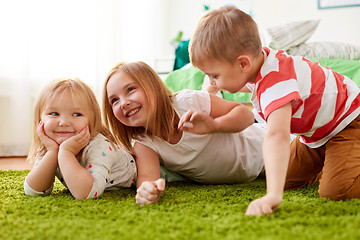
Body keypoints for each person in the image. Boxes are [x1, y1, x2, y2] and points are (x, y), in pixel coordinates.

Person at [189, 6, 360, 215]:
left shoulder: (277, 82)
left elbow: (277, 135)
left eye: (214, 76)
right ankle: (337, 158)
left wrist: (273, 196)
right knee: (283, 177)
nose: (211, 81)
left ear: (243, 63)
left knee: (337, 191)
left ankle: (346, 158)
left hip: (349, 121)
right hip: (317, 133)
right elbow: (248, 84)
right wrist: (215, 87)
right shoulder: (259, 63)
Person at [102, 61, 266, 206]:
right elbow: (147, 177)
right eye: (114, 100)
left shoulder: (188, 101)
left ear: (154, 86)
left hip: (265, 149)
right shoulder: (143, 142)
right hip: (247, 174)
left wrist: (215, 125)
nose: (124, 103)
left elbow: (246, 115)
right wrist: (147, 190)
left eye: (130, 89)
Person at [24, 78, 137, 200]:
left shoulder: (100, 147)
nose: (64, 122)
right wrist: (52, 152)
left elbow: (86, 193)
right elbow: (33, 190)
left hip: (141, 172)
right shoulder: (51, 144)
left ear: (92, 120)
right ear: (40, 120)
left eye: (77, 114)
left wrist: (66, 152)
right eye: (54, 114)